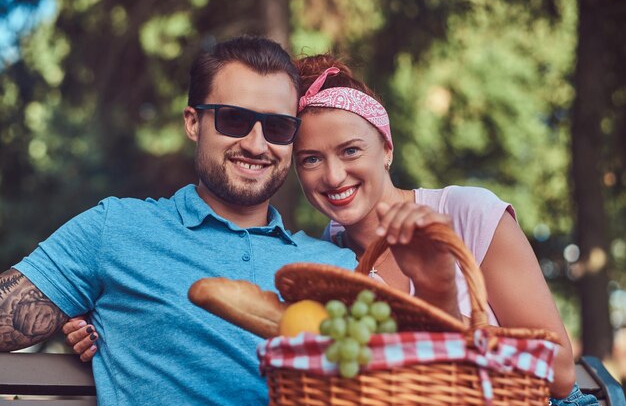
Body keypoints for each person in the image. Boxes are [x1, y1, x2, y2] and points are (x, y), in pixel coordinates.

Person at [66, 52, 597, 404]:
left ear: (387, 148)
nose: (334, 176)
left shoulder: (466, 214)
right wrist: (104, 317)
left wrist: (437, 290)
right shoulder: (330, 262)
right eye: (311, 160)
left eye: (350, 151)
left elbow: (559, 372)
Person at [0, 36, 358, 406]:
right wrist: (68, 306)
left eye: (279, 128)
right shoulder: (116, 230)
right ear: (193, 123)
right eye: (233, 119)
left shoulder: (336, 267)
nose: (256, 144)